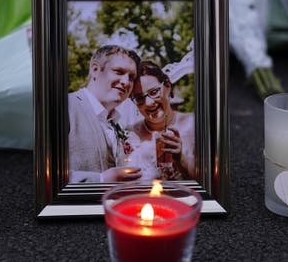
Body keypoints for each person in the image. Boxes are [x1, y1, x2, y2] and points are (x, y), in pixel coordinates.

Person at [68, 45, 143, 183]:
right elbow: (43, 173)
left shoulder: (116, 124)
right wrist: (100, 180)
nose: (126, 82)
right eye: (118, 72)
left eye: (131, 77)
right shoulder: (65, 107)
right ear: (95, 70)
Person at [126, 61, 196, 180]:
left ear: (167, 86)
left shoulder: (194, 124)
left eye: (154, 92)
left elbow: (210, 182)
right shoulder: (130, 134)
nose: (149, 103)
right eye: (139, 98)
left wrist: (180, 159)